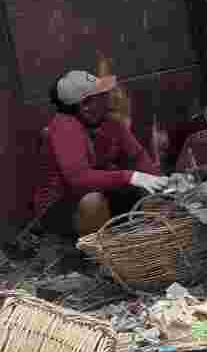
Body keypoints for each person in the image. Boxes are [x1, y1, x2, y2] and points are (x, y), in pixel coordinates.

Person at [32, 71, 168, 238]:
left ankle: (142, 243)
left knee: (150, 194)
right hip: (60, 207)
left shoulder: (110, 122)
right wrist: (132, 177)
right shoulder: (64, 126)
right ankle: (92, 254)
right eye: (102, 96)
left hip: (100, 193)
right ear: (85, 105)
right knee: (93, 202)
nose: (109, 97)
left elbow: (137, 156)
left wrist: (163, 183)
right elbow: (79, 179)